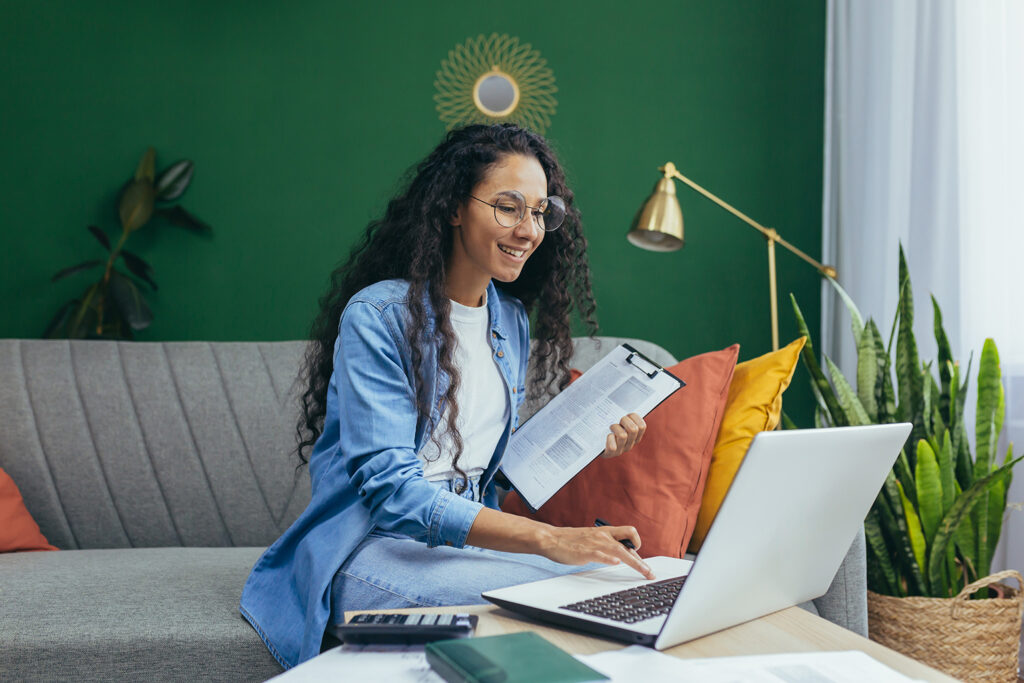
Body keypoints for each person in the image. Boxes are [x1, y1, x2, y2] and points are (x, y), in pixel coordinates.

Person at [240, 123, 653, 669]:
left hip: (462, 544)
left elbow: (484, 470)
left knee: (619, 583)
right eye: (508, 207)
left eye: (538, 212)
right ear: (455, 208)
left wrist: (585, 443)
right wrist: (548, 540)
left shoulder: (507, 320)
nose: (528, 229)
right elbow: (392, 492)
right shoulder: (379, 317)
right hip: (371, 547)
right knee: (569, 602)